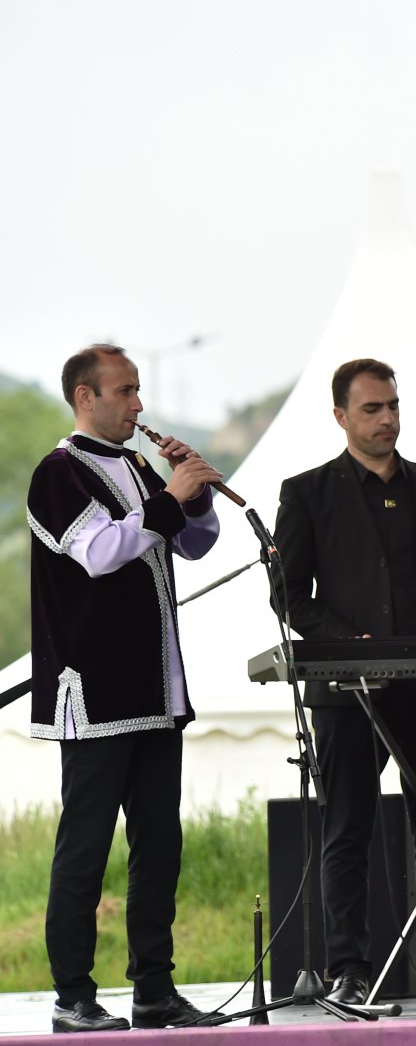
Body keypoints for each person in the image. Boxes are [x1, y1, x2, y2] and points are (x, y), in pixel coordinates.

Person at [272, 359, 416, 1009]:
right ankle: (349, 969)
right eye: (372, 408)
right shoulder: (307, 492)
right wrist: (346, 644)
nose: (388, 418)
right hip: (348, 690)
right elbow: (289, 594)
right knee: (348, 829)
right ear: (340, 416)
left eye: (393, 405)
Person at [28, 344, 221, 1033]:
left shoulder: (140, 466)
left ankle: (154, 989)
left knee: (159, 844)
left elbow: (192, 545)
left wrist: (190, 493)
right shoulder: (56, 474)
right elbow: (101, 551)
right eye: (126, 391)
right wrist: (171, 499)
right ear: (86, 397)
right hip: (97, 692)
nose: (140, 405)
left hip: (155, 692)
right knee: (85, 846)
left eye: (138, 391)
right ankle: (72, 995)